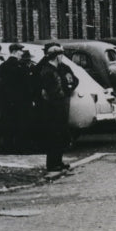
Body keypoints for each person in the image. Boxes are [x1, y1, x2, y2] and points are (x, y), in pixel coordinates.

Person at [34, 42, 79, 172]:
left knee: (59, 135)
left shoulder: (55, 69)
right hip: (53, 108)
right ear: (56, 56)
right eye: (60, 55)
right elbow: (51, 91)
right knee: (54, 136)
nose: (62, 58)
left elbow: (69, 82)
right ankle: (52, 164)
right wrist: (61, 95)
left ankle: (58, 162)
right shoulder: (48, 71)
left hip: (58, 107)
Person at [0, 43, 34, 152]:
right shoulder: (21, 66)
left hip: (7, 102)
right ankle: (21, 148)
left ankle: (8, 147)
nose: (22, 53)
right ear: (15, 51)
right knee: (21, 125)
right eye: (20, 51)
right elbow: (27, 85)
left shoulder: (2, 66)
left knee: (8, 125)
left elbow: (1, 85)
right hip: (21, 102)